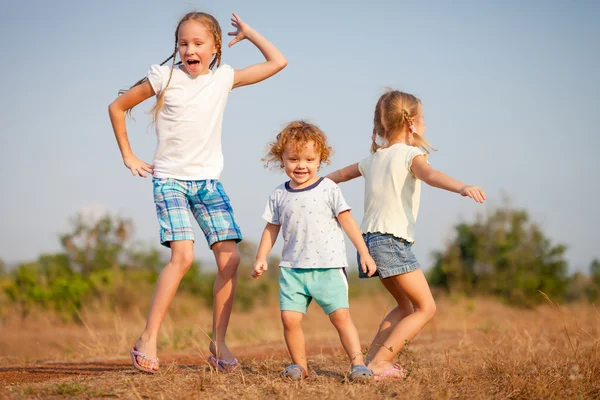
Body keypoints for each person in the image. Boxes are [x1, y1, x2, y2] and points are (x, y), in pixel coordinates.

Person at [108, 11, 287, 374]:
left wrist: (250, 33)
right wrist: (128, 155)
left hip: (208, 182)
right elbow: (118, 106)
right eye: (183, 43)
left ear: (215, 47)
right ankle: (148, 338)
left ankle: (218, 344)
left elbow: (278, 62)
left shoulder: (223, 78)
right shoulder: (165, 76)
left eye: (198, 43)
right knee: (183, 257)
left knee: (231, 260)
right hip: (170, 179)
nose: (189, 49)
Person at [327, 90, 486, 380]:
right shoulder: (412, 154)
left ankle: (367, 365)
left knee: (406, 306)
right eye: (423, 119)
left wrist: (313, 183)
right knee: (426, 308)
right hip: (390, 241)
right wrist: (462, 187)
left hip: (370, 242)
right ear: (412, 122)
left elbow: (337, 175)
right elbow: (430, 175)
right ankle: (379, 364)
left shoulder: (372, 159)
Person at [252, 121, 376, 382]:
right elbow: (271, 229)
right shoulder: (278, 194)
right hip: (293, 269)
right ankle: (299, 365)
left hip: (328, 267)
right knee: (289, 319)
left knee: (341, 318)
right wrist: (261, 257)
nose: (301, 165)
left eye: (309, 159)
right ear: (281, 159)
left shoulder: (329, 188)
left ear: (321, 159)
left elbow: (348, 223)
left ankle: (358, 364)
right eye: (293, 158)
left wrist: (364, 253)